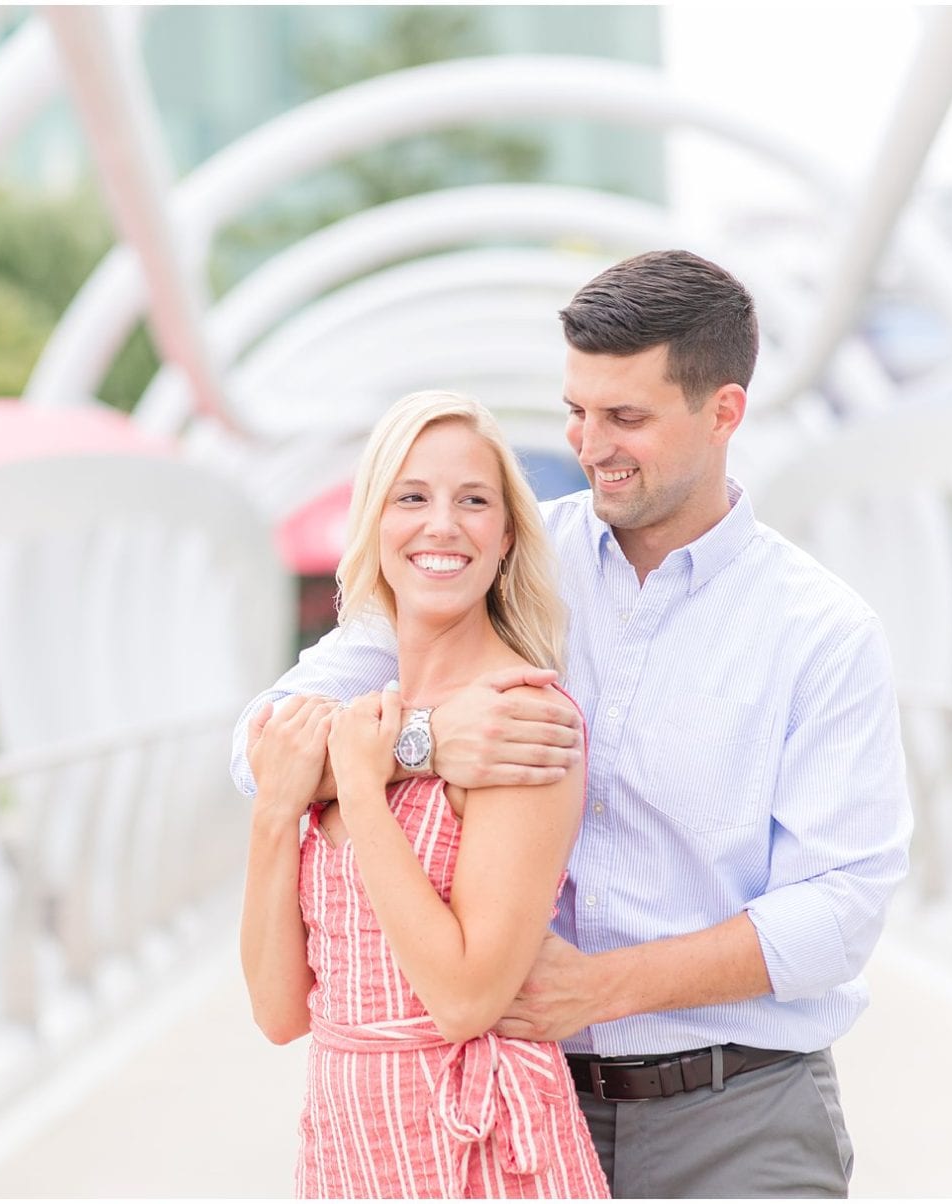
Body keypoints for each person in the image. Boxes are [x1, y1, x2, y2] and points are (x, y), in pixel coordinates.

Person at [232, 250, 912, 1199]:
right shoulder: (502, 555)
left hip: (740, 1114)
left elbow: (838, 915)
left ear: (724, 413)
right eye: (577, 412)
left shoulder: (821, 634)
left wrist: (604, 988)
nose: (592, 445)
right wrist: (423, 741)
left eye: (626, 417)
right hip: (522, 1105)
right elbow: (260, 740)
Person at [241, 390, 609, 1199]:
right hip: (348, 1150)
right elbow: (279, 1013)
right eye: (412, 498)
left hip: (477, 1154)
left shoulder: (523, 719)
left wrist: (365, 794)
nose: (441, 524)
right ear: (374, 526)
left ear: (506, 537)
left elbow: (466, 997)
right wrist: (277, 810)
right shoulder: (356, 722)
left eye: (472, 501)